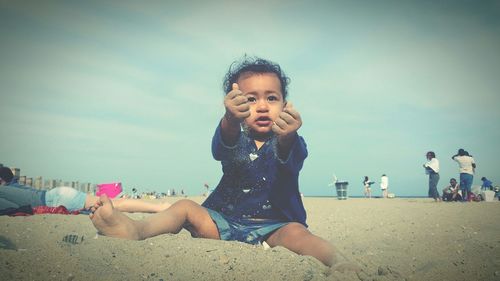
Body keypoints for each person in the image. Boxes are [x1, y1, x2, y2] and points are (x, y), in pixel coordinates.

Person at [89, 56, 337, 267]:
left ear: (284, 104)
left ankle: (338, 262)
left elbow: (289, 158)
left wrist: (288, 135)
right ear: (234, 103)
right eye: (250, 99)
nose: (262, 106)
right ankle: (137, 230)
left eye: (271, 98)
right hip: (221, 222)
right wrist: (230, 119)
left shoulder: (289, 141)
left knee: (298, 233)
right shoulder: (235, 137)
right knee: (185, 206)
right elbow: (221, 145)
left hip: (274, 226)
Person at [0, 167, 170, 213]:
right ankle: (157, 207)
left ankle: (159, 207)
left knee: (114, 204)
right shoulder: (14, 186)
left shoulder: (7, 189)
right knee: (113, 206)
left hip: (57, 199)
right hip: (57, 195)